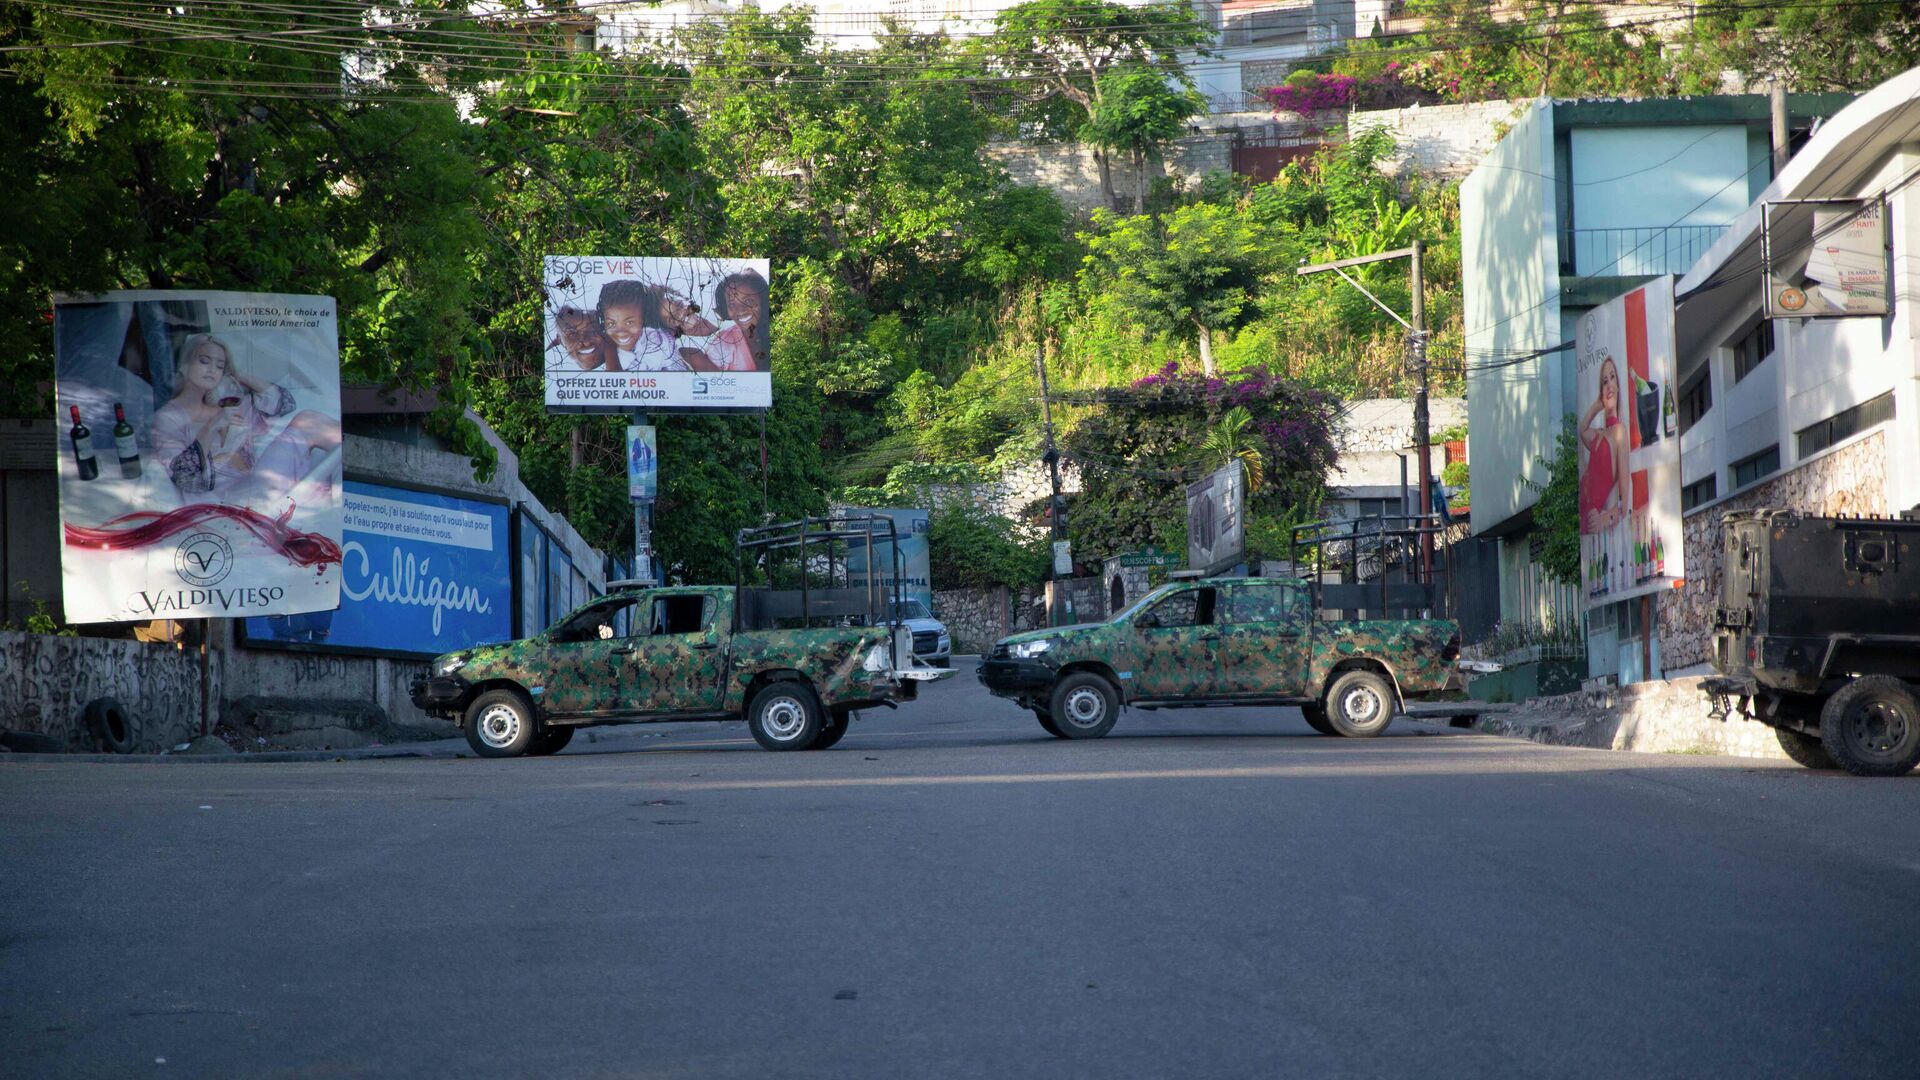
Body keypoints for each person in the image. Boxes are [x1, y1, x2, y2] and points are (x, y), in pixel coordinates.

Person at [151, 333, 341, 508]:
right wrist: (212, 427)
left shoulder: (224, 405)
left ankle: (350, 492)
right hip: (230, 501)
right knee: (310, 422)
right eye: (204, 361)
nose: (212, 370)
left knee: (310, 420)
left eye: (219, 366)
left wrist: (237, 374)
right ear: (184, 365)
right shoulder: (169, 416)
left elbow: (283, 403)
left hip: (257, 480)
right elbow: (183, 475)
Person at [1578, 355, 1632, 535]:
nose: (1609, 384)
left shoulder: (1620, 432)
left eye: (1613, 377)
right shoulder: (1598, 433)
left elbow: (1624, 505)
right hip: (1584, 520)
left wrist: (1604, 518)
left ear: (1618, 385)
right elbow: (1582, 430)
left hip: (1597, 523)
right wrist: (1598, 404)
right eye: (1604, 381)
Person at [701, 268, 770, 373]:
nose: (740, 310)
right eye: (732, 304)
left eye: (748, 300)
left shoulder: (774, 329)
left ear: (762, 300)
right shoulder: (722, 344)